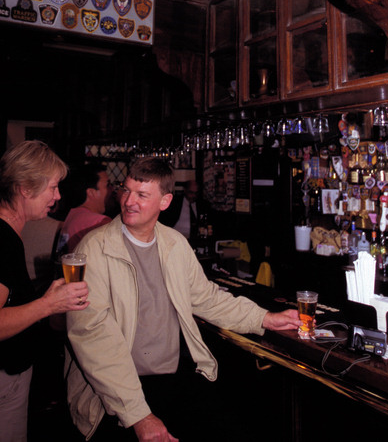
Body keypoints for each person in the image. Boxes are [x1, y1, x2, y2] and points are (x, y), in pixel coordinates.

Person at [66, 157, 300, 441]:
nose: (129, 201)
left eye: (142, 195)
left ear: (164, 202)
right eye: (126, 190)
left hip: (172, 378)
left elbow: (206, 299)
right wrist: (138, 415)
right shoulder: (94, 249)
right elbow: (93, 338)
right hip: (117, 390)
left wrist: (264, 318)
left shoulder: (174, 244)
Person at [0, 140, 89, 442]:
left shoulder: (2, 231)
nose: (57, 197)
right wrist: (47, 304)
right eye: (52, 187)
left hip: (3, 379)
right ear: (25, 189)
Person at [59, 162, 113, 253]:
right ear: (91, 192)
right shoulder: (100, 222)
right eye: (108, 185)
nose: (112, 189)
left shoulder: (73, 214)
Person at [158, 179, 203, 245]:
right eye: (191, 192)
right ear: (185, 190)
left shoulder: (202, 204)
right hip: (175, 238)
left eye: (196, 193)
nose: (194, 196)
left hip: (196, 240)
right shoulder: (174, 203)